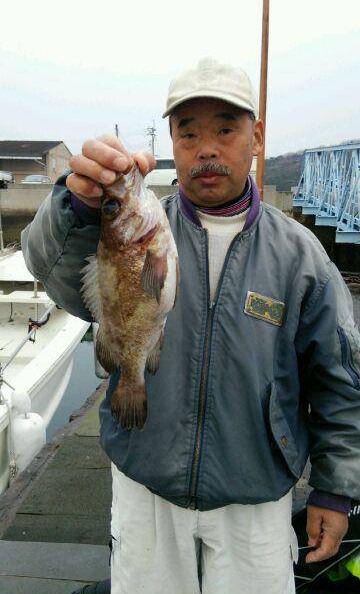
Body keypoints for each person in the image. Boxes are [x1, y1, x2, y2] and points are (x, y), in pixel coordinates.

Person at [21, 58, 360, 594]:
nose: (207, 148)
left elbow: (340, 380)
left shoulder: (300, 256)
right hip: (144, 485)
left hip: (257, 496)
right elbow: (50, 268)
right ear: (172, 144)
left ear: (257, 136)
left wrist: (335, 490)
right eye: (188, 133)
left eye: (226, 129)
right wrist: (75, 204)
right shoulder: (132, 229)